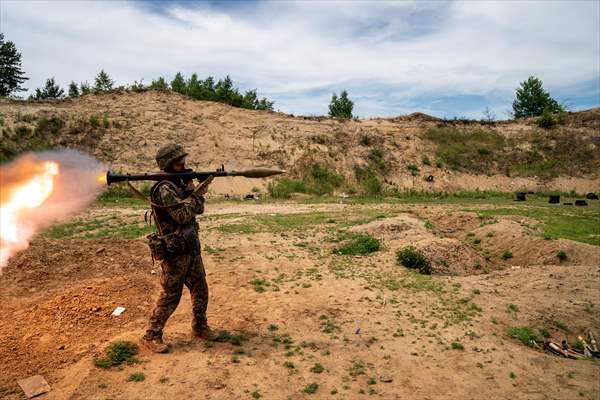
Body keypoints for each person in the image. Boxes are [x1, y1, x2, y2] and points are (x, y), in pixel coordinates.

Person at [141, 143, 216, 353]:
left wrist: (195, 191)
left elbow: (198, 209)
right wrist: (195, 193)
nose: (183, 163)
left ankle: (200, 326)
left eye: (182, 159)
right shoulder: (164, 188)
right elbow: (182, 215)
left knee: (200, 288)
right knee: (170, 295)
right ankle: (151, 335)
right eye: (178, 161)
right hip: (174, 251)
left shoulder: (180, 183)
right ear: (168, 164)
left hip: (191, 247)